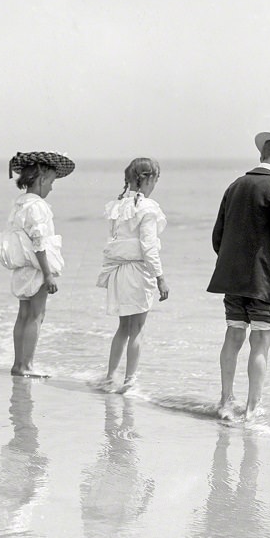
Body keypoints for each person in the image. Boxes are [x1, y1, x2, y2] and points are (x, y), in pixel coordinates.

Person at [207, 131, 270, 421]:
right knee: (260, 341)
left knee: (233, 335)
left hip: (233, 280)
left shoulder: (235, 185)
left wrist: (233, 265)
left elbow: (218, 237)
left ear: (264, 154)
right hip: (266, 282)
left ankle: (225, 401)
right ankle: (251, 410)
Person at [0, 151, 75, 378]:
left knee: (23, 314)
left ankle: (17, 363)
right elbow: (39, 242)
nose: (51, 187)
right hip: (37, 267)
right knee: (36, 316)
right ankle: (27, 365)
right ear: (41, 180)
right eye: (51, 182)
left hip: (21, 268)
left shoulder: (19, 204)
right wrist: (48, 273)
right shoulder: (38, 206)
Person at [95, 158, 169, 393]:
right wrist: (160, 277)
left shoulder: (118, 207)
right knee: (137, 329)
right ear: (147, 179)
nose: (155, 184)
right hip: (138, 271)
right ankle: (129, 381)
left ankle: (109, 376)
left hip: (119, 270)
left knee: (123, 328)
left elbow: (116, 240)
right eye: (155, 179)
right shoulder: (146, 207)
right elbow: (148, 247)